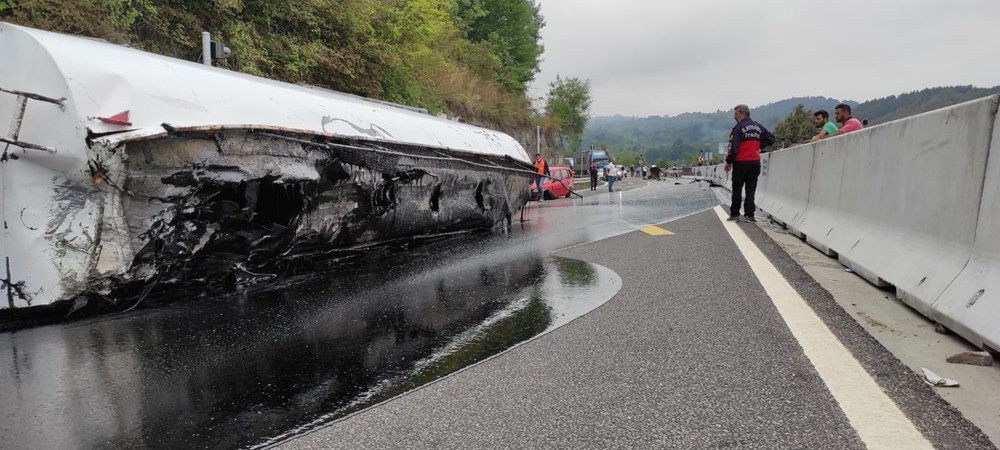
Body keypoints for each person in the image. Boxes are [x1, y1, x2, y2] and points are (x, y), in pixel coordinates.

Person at [725, 104, 775, 222]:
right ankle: (749, 215)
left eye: (736, 113)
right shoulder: (758, 127)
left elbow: (734, 148)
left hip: (741, 162)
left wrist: (728, 162)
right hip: (754, 163)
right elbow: (771, 138)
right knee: (750, 189)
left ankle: (735, 214)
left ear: (743, 113)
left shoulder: (738, 128)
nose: (734, 116)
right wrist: (760, 148)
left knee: (737, 189)